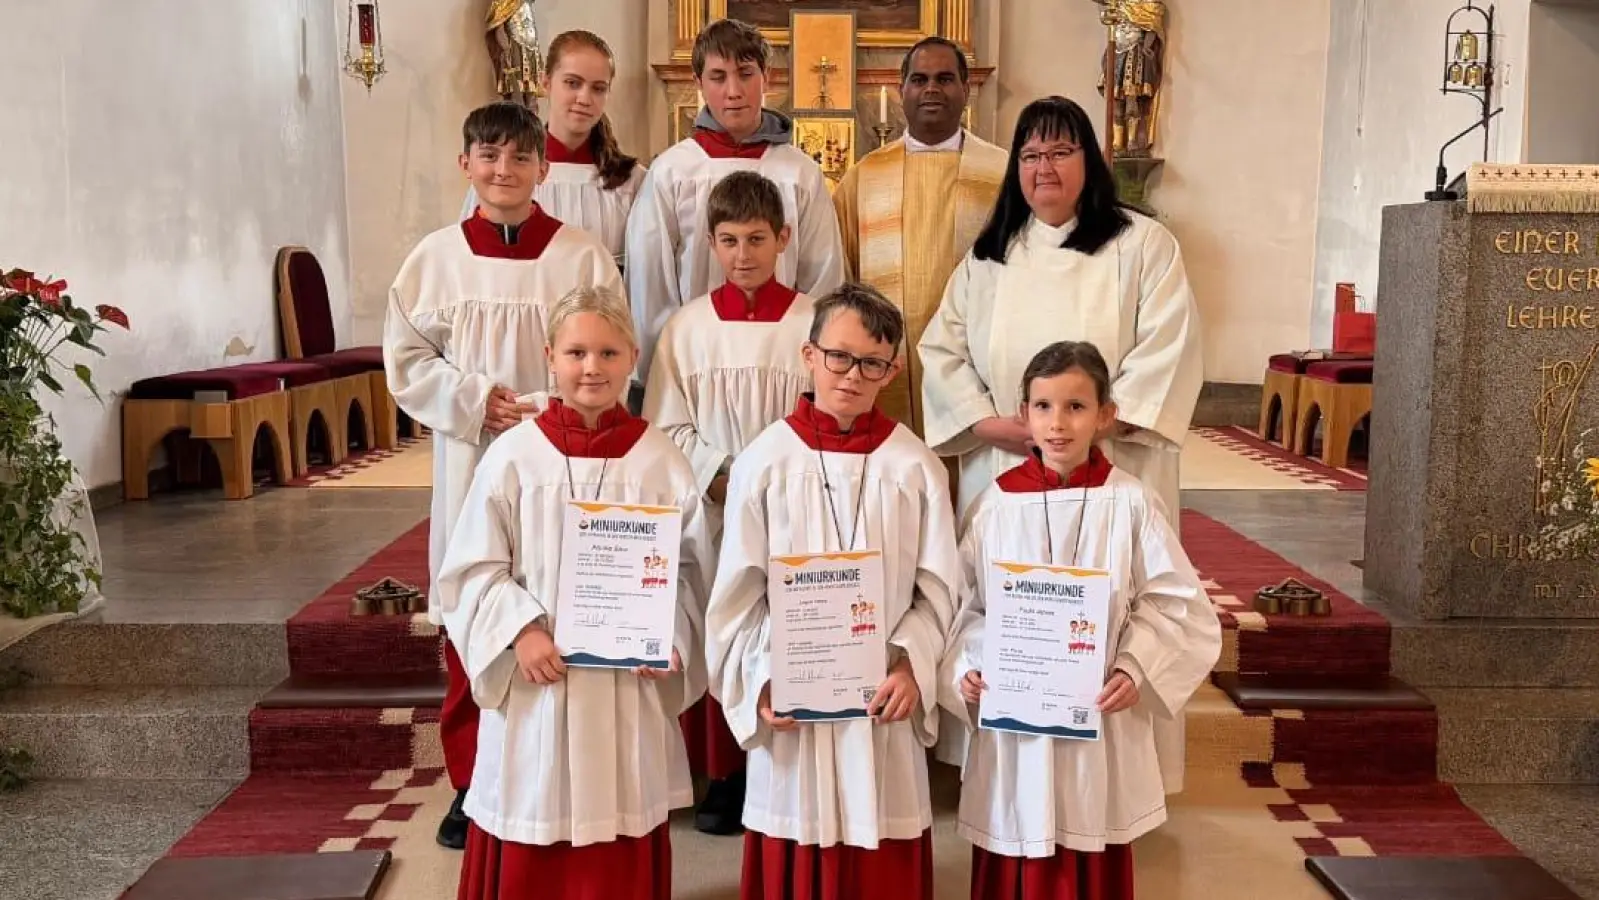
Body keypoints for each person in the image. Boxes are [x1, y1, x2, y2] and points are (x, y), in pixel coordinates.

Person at [917, 95, 1202, 789]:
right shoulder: (988, 257)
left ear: (1089, 162)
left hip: (1111, 471)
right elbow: (941, 353)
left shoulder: (1141, 245)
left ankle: (1118, 773)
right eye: (1030, 154)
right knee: (1003, 608)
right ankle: (1000, 764)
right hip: (1009, 470)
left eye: (1060, 152)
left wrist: (1079, 427)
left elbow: (1167, 350)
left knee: (1109, 613)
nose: (1044, 167)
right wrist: (1004, 427)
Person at [385, 100, 623, 850]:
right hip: (473, 456)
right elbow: (406, 358)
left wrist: (559, 405)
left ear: (541, 167)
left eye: (519, 158)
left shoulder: (582, 256)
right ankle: (469, 782)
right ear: (466, 165)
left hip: (565, 457)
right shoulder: (434, 258)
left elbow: (609, 347)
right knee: (476, 611)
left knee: (555, 606)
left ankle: (557, 773)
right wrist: (470, 398)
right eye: (487, 156)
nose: (503, 170)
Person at [438, 286, 712, 900]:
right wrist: (520, 629)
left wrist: (673, 637)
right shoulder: (513, 457)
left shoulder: (660, 460)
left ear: (633, 358)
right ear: (550, 357)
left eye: (609, 353)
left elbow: (693, 571)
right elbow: (472, 567)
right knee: (536, 801)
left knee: (619, 810)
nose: (592, 368)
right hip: (542, 680)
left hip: (625, 687)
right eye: (577, 352)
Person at [940, 340, 1220, 900]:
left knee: (1090, 828)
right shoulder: (994, 506)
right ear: (1023, 415)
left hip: (1097, 717)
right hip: (1016, 717)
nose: (1058, 424)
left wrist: (1136, 666)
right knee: (1015, 825)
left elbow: (1176, 603)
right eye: (1043, 407)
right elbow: (965, 607)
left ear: (1105, 415)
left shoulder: (1131, 503)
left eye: (1075, 407)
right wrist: (969, 665)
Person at [705, 283, 958, 899]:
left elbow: (942, 594)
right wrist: (761, 680)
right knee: (799, 824)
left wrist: (912, 666)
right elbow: (738, 594)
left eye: (872, 362)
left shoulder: (914, 466)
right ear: (809, 354)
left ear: (892, 369)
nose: (852, 375)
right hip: (797, 701)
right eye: (838, 356)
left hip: (881, 698)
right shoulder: (764, 461)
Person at [641, 170, 815, 836]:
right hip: (713, 511)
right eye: (728, 240)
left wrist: (769, 483)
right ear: (709, 243)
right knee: (721, 628)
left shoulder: (812, 322)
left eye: (756, 239)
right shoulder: (685, 329)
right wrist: (722, 478)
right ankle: (721, 774)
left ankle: (777, 762)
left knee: (780, 628)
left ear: (783, 238)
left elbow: (819, 411)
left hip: (790, 512)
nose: (743, 254)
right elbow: (668, 424)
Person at [624, 17, 845, 380]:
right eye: (717, 76)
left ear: (767, 78)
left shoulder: (800, 173)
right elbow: (652, 285)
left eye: (745, 73)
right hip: (695, 360)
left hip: (785, 359)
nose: (733, 90)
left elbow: (823, 278)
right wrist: (661, 373)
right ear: (698, 83)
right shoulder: (673, 171)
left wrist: (817, 366)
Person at [832, 36, 1008, 434]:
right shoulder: (864, 177)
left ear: (966, 89)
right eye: (920, 79)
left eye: (945, 79)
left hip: (977, 364)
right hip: (884, 359)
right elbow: (841, 277)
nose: (931, 89)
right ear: (902, 91)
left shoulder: (1003, 175)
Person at [460, 29, 645, 268]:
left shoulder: (632, 181)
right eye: (572, 83)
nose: (584, 98)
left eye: (598, 88)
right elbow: (470, 257)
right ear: (545, 83)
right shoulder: (504, 175)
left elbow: (646, 274)